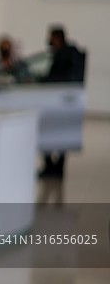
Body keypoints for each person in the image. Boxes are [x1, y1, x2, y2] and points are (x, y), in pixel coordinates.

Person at [39, 25, 85, 177]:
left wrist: (40, 80)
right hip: (65, 100)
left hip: (58, 100)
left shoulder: (63, 55)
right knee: (62, 134)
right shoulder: (72, 53)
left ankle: (52, 168)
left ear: (57, 38)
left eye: (51, 36)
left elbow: (53, 78)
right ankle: (57, 168)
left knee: (46, 132)